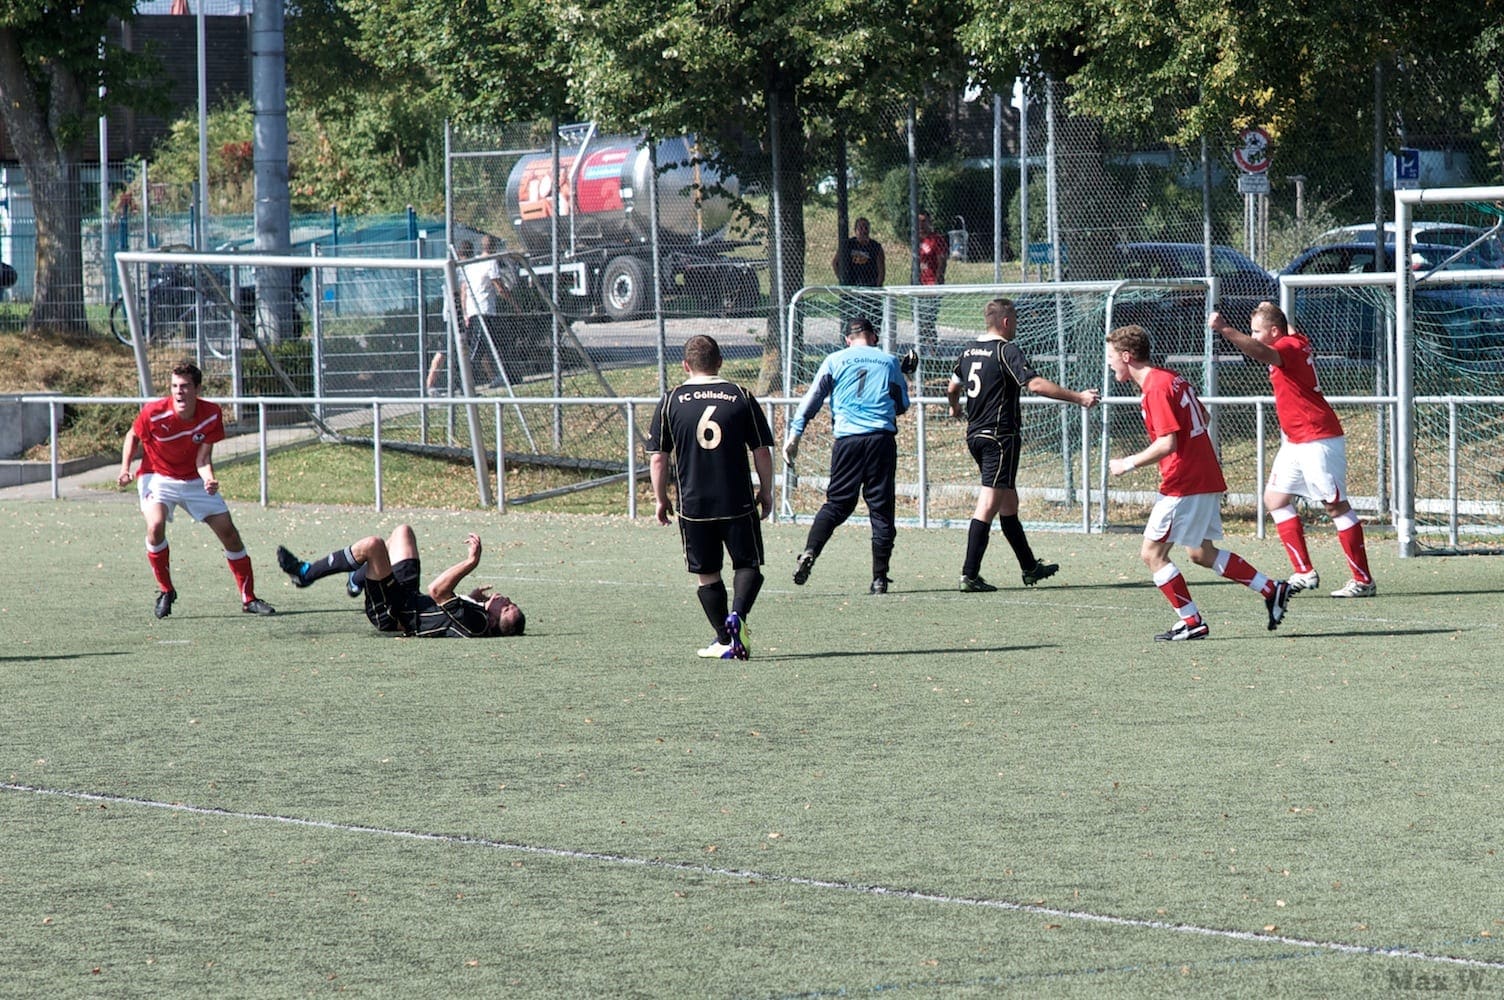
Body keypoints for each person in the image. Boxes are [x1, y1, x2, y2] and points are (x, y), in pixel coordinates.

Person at [1105, 324, 1292, 641]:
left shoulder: (1155, 387)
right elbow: (1203, 418)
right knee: (1201, 553)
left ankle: (1191, 621)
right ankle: (1271, 588)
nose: (1109, 364)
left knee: (1152, 554)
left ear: (1126, 356)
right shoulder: (1171, 378)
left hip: (1185, 481)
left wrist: (1128, 463)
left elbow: (1168, 443)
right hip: (1204, 475)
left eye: (1111, 357)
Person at [1209, 302, 1376, 598]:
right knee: (1275, 499)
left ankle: (1363, 581)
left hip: (1317, 437)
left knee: (1335, 506)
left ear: (1274, 331)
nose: (1254, 336)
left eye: (1257, 331)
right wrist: (1270, 307)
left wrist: (1224, 329)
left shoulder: (1286, 346)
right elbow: (1281, 329)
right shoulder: (1294, 338)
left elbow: (1259, 351)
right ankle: (1304, 571)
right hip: (1295, 440)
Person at [947, 298, 1100, 591]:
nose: (1016, 325)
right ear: (1006, 322)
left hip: (975, 435)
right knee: (988, 504)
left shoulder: (967, 350)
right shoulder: (1006, 350)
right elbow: (1035, 384)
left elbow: (953, 386)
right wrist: (1079, 397)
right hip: (999, 438)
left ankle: (1030, 567)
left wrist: (955, 408)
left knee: (1009, 503)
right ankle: (969, 575)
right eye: (1015, 320)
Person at [648, 334, 775, 659]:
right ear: (719, 362)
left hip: (694, 505)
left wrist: (661, 498)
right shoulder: (740, 395)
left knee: (707, 573)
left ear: (685, 365)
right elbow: (761, 450)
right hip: (737, 501)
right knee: (747, 563)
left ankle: (724, 638)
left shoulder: (671, 400)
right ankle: (738, 616)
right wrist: (766, 490)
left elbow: (659, 458)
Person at [116, 360, 275, 618]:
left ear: (197, 389)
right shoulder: (154, 412)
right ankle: (166, 590)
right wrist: (125, 468)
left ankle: (248, 598)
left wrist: (209, 479)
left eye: (185, 386)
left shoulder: (211, 413)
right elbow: (132, 435)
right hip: (157, 476)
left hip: (193, 480)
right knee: (155, 526)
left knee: (229, 533)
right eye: (174, 386)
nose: (179, 391)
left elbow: (203, 458)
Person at [784, 316, 912, 594]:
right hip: (880, 440)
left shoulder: (834, 360)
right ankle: (879, 578)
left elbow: (813, 397)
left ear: (847, 340)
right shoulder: (889, 361)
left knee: (837, 504)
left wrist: (795, 433)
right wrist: (905, 376)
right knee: (881, 509)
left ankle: (810, 550)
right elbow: (902, 405)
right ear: (873, 337)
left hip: (847, 441)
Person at [275, 526, 525, 638]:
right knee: (402, 532)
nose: (505, 600)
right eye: (511, 603)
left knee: (373, 546)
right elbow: (449, 613)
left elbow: (437, 590)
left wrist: (471, 562)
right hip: (407, 597)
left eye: (505, 609)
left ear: (493, 621)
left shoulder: (479, 623)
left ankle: (305, 574)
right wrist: (473, 598)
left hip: (392, 613)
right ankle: (357, 578)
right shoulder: (479, 617)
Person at [832, 216, 886, 330]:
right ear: (855, 230)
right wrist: (842, 280)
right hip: (852, 288)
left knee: (873, 320)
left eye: (866, 227)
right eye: (860, 228)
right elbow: (835, 263)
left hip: (869, 287)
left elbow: (881, 270)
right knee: (852, 321)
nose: (863, 231)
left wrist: (877, 287)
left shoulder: (875, 247)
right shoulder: (848, 245)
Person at [915, 211, 949, 363]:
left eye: (924, 221)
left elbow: (942, 261)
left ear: (929, 222)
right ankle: (921, 351)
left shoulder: (936, 239)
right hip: (918, 285)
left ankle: (933, 351)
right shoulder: (916, 241)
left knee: (928, 319)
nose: (921, 225)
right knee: (919, 319)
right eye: (919, 222)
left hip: (931, 285)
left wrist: (937, 280)